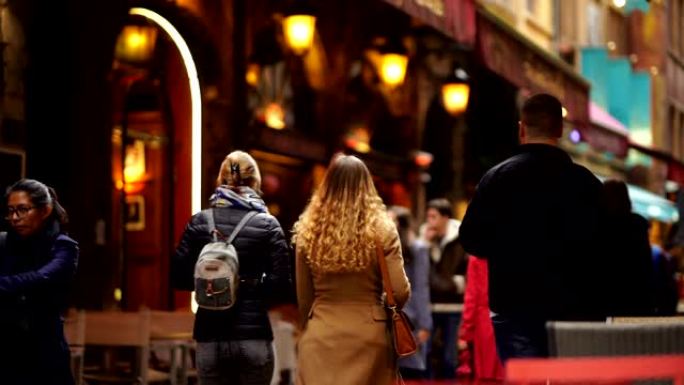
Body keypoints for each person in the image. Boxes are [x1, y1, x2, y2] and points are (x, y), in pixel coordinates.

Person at [459, 93, 606, 363]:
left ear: (522, 129)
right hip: (574, 309)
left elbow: (471, 239)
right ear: (560, 130)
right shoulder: (586, 184)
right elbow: (605, 246)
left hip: (514, 306)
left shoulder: (497, 178)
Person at [171, 150, 292, 385]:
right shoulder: (268, 224)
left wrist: (211, 282)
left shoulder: (199, 222)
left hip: (209, 335)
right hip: (253, 335)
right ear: (255, 181)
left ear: (222, 179)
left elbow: (178, 278)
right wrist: (252, 288)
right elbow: (282, 285)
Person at [293, 154, 410, 385]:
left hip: (320, 337)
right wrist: (382, 307)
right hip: (370, 337)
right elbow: (399, 291)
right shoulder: (383, 230)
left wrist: (307, 327)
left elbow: (304, 297)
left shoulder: (308, 231)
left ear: (327, 185)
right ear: (368, 186)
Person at [0, 179, 79, 385]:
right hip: (6, 347)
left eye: (23, 210)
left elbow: (41, 277)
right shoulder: (4, 243)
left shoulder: (64, 247)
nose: (15, 218)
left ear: (45, 210)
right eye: (10, 211)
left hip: (45, 349)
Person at [420, 198, 467, 379]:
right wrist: (425, 245)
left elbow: (465, 271)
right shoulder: (425, 239)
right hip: (430, 305)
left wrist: (452, 284)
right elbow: (421, 272)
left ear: (445, 217)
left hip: (454, 307)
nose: (430, 221)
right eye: (428, 216)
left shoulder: (460, 238)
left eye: (434, 216)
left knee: (450, 357)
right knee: (427, 354)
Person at [388, 206, 432, 379]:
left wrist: (424, 324)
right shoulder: (386, 249)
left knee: (410, 371)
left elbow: (422, 287)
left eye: (391, 220)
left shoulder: (417, 249)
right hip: (391, 315)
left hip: (410, 319)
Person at [601, 179, 654, 316]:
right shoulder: (638, 226)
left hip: (609, 300)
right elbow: (645, 268)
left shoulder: (601, 226)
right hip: (637, 300)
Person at [457, 256, 504, 381]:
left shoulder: (477, 258)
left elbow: (472, 297)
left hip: (485, 323)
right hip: (510, 321)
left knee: (485, 374)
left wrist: (465, 334)